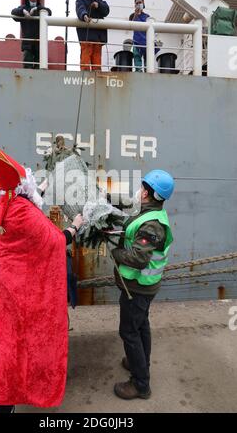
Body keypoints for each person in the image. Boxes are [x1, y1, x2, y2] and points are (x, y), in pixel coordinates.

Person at [0, 138, 84, 413]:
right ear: (24, 187)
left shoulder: (7, 203)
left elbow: (29, 201)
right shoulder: (24, 212)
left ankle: (6, 399)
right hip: (24, 290)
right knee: (24, 342)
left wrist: (44, 186)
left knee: (12, 338)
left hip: (8, 283)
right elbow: (55, 241)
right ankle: (6, 401)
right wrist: (75, 226)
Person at [112, 170, 175, 400]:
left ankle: (140, 384)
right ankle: (139, 363)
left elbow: (139, 259)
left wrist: (117, 253)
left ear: (148, 193)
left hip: (137, 288)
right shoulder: (151, 213)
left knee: (129, 331)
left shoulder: (152, 225)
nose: (139, 191)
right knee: (141, 326)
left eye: (142, 188)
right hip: (143, 286)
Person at [11, 0, 52, 69]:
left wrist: (37, 9)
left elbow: (49, 12)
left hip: (39, 44)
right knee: (27, 66)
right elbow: (13, 12)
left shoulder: (41, 10)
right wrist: (23, 12)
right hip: (27, 44)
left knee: (38, 68)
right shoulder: (23, 8)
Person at [76, 0, 110, 71]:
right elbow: (80, 8)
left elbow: (106, 10)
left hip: (97, 38)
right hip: (87, 38)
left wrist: (98, 5)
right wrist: (84, 15)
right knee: (85, 62)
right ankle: (86, 77)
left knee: (97, 63)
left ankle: (96, 77)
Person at [129, 0, 159, 72]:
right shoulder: (132, 16)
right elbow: (131, 25)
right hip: (136, 42)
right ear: (135, 5)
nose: (139, 4)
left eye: (140, 2)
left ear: (143, 4)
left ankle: (147, 73)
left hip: (146, 42)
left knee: (147, 63)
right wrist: (136, 14)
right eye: (137, 3)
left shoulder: (147, 17)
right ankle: (139, 73)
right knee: (137, 61)